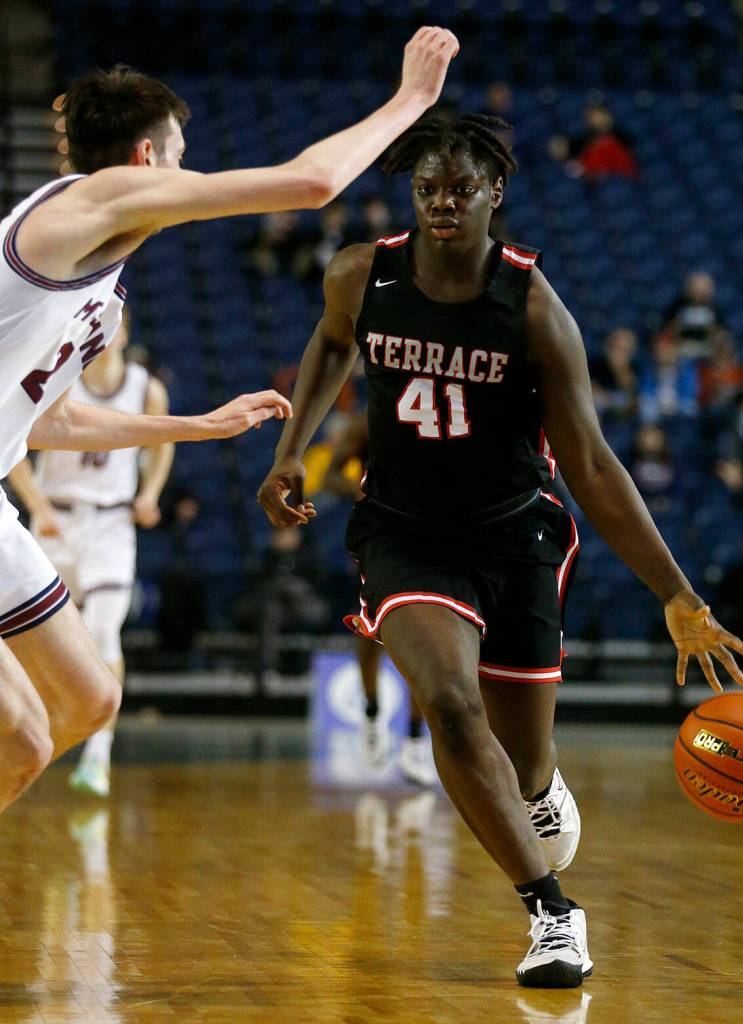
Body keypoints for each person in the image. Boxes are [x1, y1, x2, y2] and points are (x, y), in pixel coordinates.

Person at [257, 113, 743, 988]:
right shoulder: (360, 274)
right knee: (450, 706)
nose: (443, 203)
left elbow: (593, 463)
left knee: (522, 762)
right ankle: (552, 915)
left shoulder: (531, 306)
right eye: (428, 189)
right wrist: (290, 447)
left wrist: (676, 592)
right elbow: (332, 341)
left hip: (514, 532)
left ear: (496, 193)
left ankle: (537, 788)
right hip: (403, 530)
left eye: (460, 189)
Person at [0, 26, 459, 813]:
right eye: (179, 156)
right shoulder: (96, 196)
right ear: (147, 158)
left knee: (72, 714)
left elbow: (46, 423)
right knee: (39, 725)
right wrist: (411, 102)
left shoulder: (99, 297)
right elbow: (311, 183)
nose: (186, 174)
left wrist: (196, 426)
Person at [6, 309, 172, 797]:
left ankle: (98, 757)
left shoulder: (146, 388)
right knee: (28, 647)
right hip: (54, 519)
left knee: (104, 634)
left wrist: (150, 492)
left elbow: (161, 446)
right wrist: (37, 504)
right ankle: (25, 737)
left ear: (124, 332)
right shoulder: (58, 379)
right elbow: (12, 450)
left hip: (111, 525)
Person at [323, 409, 436, 786]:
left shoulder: (445, 414)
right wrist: (368, 494)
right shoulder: (367, 421)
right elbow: (330, 474)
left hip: (433, 533)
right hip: (381, 538)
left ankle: (416, 739)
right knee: (373, 632)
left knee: (427, 640)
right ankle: (372, 714)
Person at [662, 270, 723, 360]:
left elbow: (721, 333)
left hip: (708, 351)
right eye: (696, 288)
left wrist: (712, 331)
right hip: (681, 351)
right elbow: (667, 331)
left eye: (702, 289)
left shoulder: (714, 309)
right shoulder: (676, 308)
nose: (698, 292)